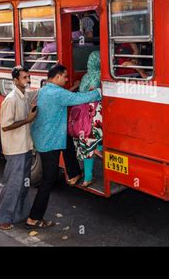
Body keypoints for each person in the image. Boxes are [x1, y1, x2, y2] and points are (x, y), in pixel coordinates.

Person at [26, 64, 101, 229]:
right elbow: (78, 99)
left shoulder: (45, 89)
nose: (67, 79)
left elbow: (68, 95)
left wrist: (74, 87)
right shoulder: (57, 93)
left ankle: (74, 174)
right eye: (65, 76)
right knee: (48, 180)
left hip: (44, 137)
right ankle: (34, 217)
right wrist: (99, 92)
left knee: (68, 141)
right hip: (50, 143)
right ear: (58, 76)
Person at [0, 66, 37, 231]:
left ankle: (19, 215)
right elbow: (5, 126)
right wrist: (28, 119)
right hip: (15, 149)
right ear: (15, 81)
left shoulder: (24, 95)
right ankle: (2, 218)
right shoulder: (11, 99)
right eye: (24, 78)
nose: (27, 80)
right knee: (12, 184)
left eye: (28, 77)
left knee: (23, 184)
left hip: (25, 146)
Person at [73, 51, 103, 187]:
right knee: (97, 137)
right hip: (95, 112)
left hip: (82, 112)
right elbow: (94, 93)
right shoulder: (101, 75)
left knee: (86, 141)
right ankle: (99, 148)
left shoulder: (86, 76)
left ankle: (88, 178)